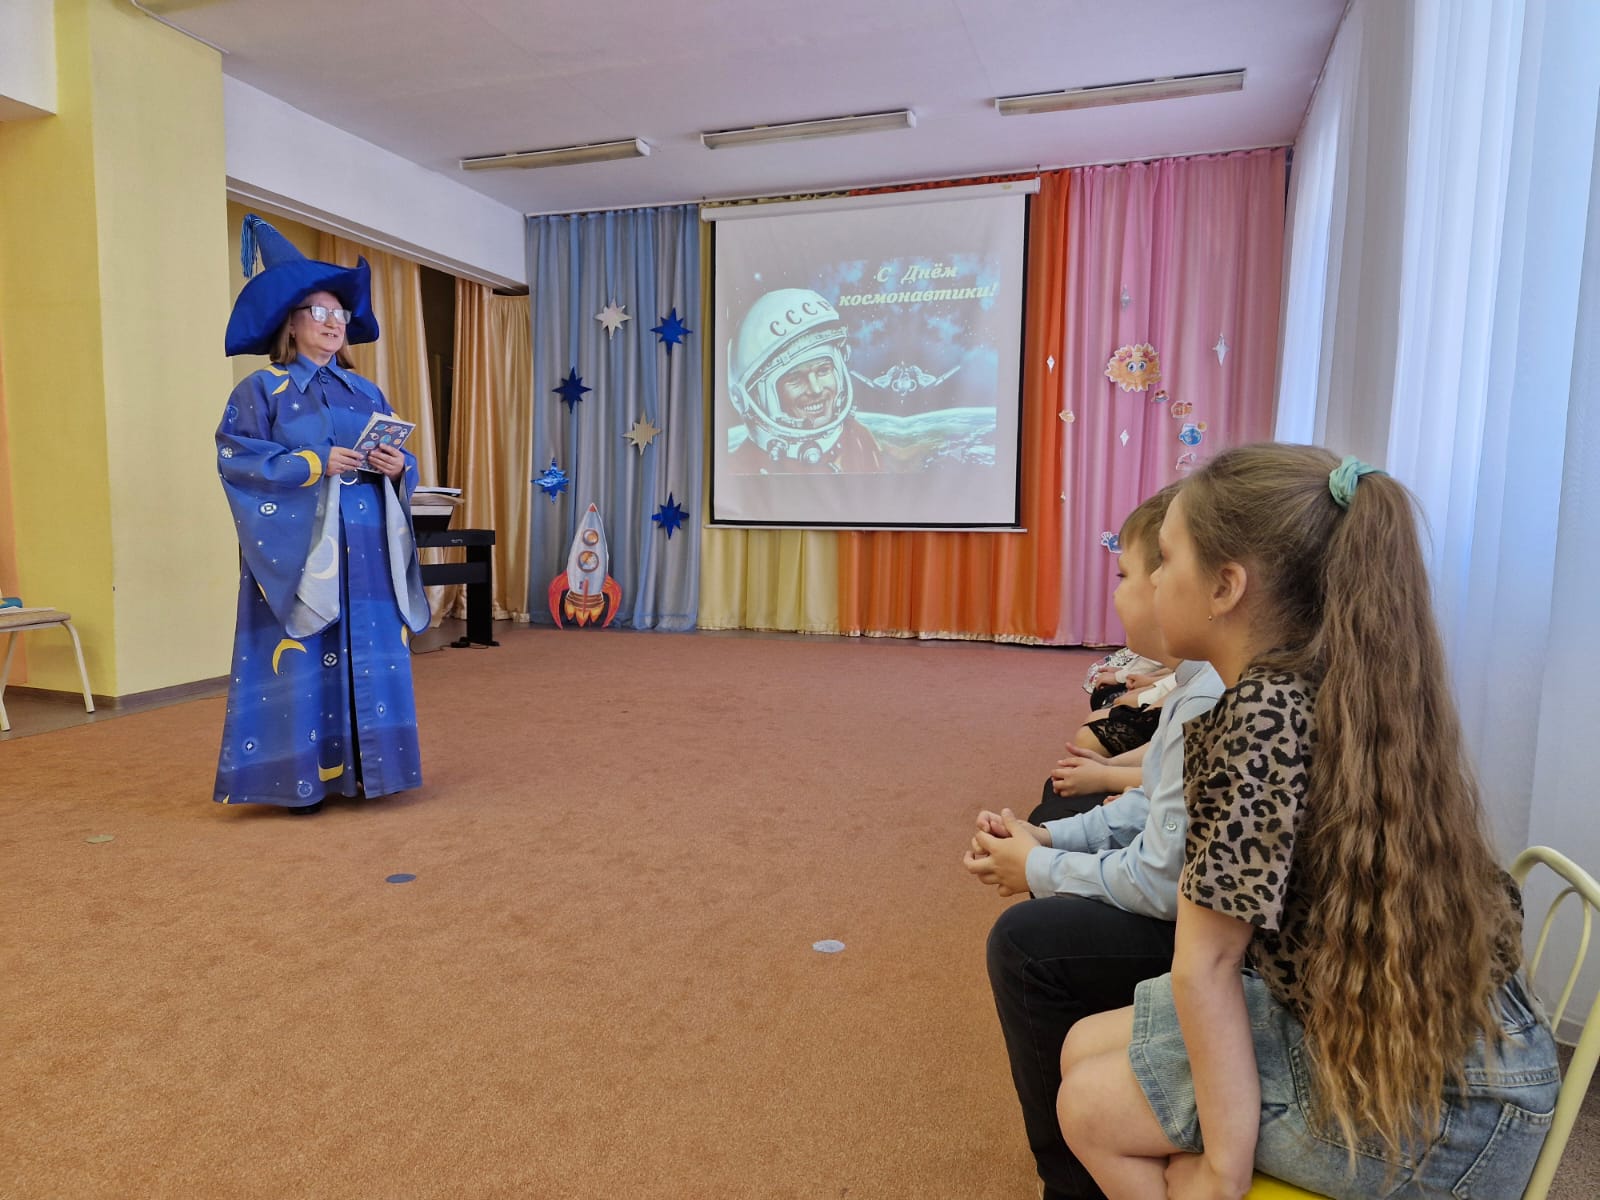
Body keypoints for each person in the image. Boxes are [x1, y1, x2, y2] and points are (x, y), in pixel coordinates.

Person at [1056, 444, 1559, 1200]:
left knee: (1088, 1109)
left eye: (1166, 559)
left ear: (1226, 586)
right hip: (1435, 1032)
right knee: (1080, 1046)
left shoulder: (1259, 716)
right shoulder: (1322, 676)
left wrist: (1222, 1170)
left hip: (1455, 1106)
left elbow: (1207, 967)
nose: (1153, 579)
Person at [962, 484, 1224, 1200]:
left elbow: (1164, 878)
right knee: (1045, 883)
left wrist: (1042, 867)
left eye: (1137, 570)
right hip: (1206, 928)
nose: (1132, 589)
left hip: (1223, 949)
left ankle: (1072, 1181)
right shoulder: (1198, 686)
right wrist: (1046, 838)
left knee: (1026, 944)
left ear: (1220, 586)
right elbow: (1148, 805)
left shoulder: (1214, 698)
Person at [212, 214, 430, 813]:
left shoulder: (367, 392)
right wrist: (311, 463)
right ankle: (299, 781)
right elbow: (237, 460)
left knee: (370, 649)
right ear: (291, 322)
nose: (334, 323)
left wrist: (397, 467)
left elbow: (400, 463)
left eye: (340, 313)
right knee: (303, 652)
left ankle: (371, 773)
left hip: (369, 547)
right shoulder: (262, 390)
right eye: (319, 312)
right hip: (302, 553)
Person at [726, 288, 883, 473]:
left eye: (823, 370)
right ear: (750, 398)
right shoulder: (740, 469)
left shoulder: (859, 439)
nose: (816, 389)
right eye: (795, 379)